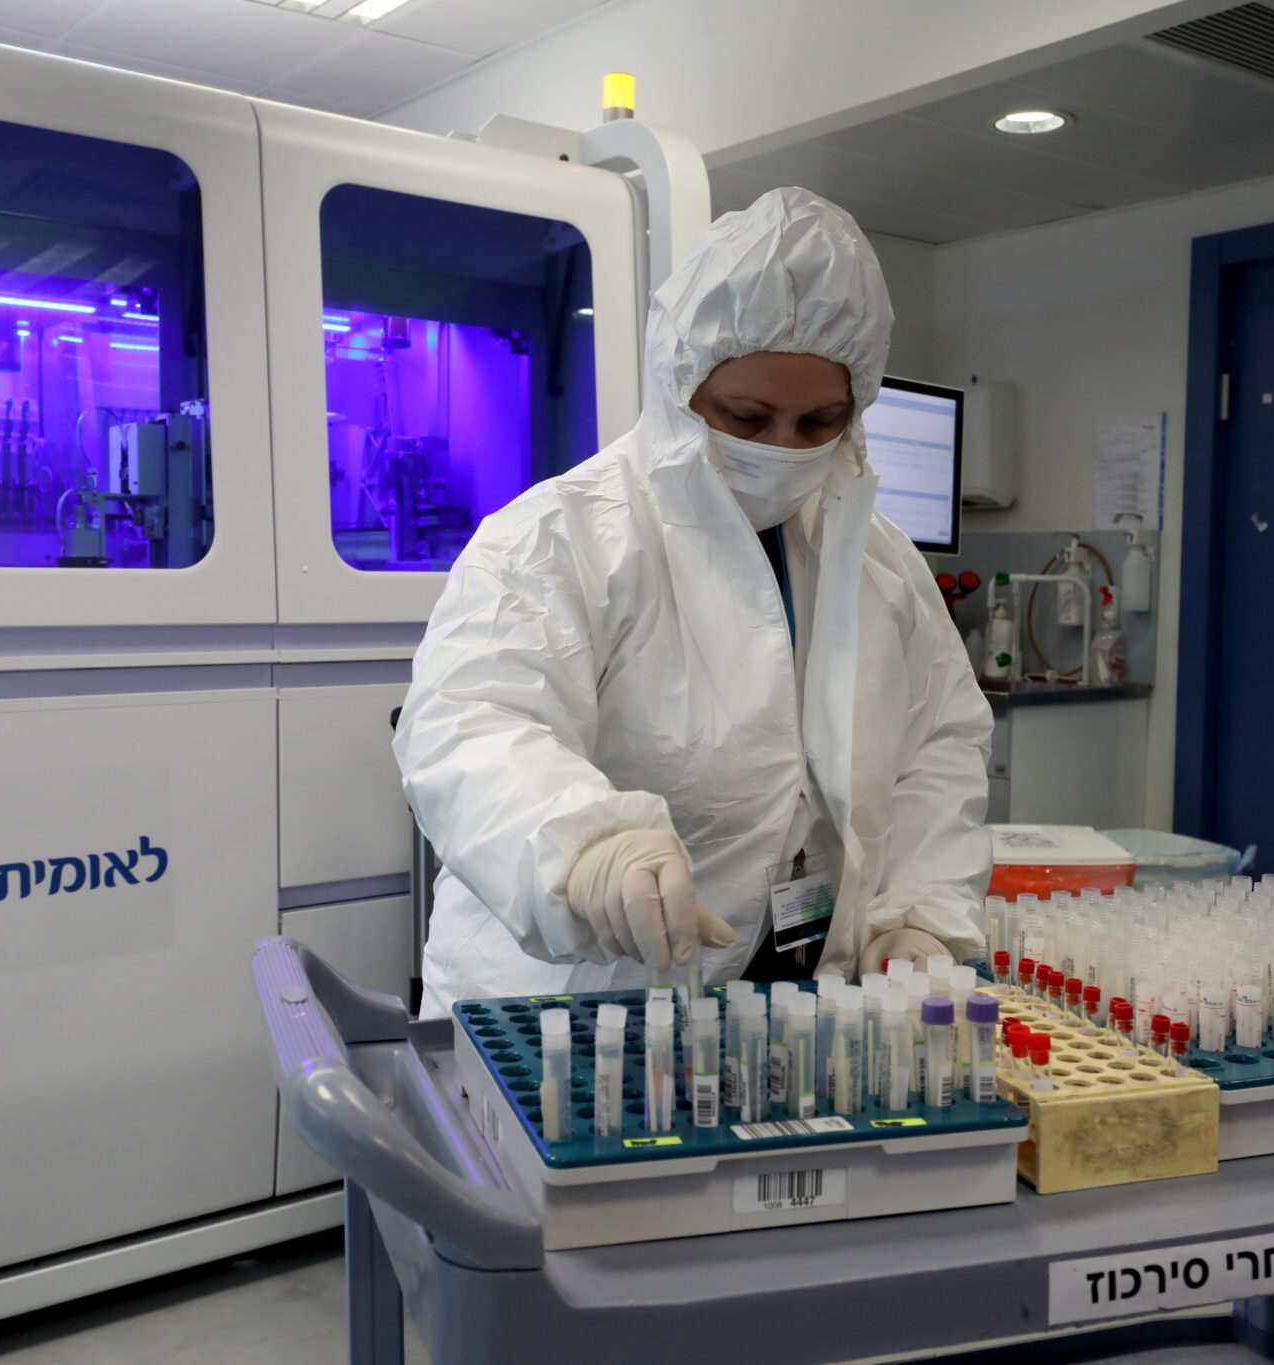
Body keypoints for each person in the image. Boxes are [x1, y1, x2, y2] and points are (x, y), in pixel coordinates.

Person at [395, 188, 994, 1011]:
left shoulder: (877, 558)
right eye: (747, 416)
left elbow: (941, 740)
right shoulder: (566, 535)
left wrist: (917, 911)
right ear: (682, 386)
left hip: (789, 1016)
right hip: (572, 1011)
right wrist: (584, 848)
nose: (784, 450)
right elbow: (472, 722)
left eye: (819, 422)